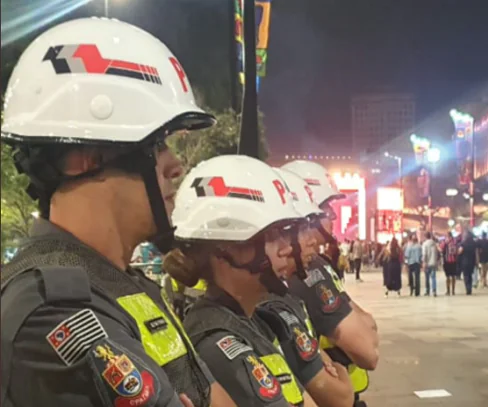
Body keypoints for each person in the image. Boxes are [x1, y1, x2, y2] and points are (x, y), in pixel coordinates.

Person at [0, 18, 234, 407]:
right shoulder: (53, 313)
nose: (176, 165)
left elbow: (216, 397)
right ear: (82, 159)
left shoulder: (122, 284)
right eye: (157, 144)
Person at [165, 155, 317, 406]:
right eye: (271, 235)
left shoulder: (252, 320)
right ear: (227, 249)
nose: (286, 248)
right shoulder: (217, 342)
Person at [281, 160, 379, 405]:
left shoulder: (318, 263)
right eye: (325, 209)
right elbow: (368, 350)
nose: (334, 215)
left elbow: (368, 324)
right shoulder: (308, 272)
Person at [458, 231, 478, 295]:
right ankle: (470, 288)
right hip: (472, 261)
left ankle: (468, 289)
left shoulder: (463, 243)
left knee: (466, 275)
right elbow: (476, 253)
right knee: (470, 275)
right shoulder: (474, 243)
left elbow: (460, 252)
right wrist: (477, 261)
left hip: (464, 262)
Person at [422, 232, 439, 297]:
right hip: (433, 263)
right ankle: (434, 291)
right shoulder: (434, 244)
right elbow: (437, 253)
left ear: (425, 237)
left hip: (427, 263)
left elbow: (424, 254)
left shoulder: (425, 244)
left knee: (427, 278)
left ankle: (427, 291)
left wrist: (424, 262)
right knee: (433, 277)